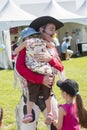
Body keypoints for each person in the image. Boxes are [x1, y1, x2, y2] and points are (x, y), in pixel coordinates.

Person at [15, 16, 65, 130]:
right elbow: (20, 68)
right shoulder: (28, 47)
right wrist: (40, 79)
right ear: (41, 30)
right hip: (30, 97)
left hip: (48, 96)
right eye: (51, 29)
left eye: (55, 30)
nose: (54, 33)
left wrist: (50, 59)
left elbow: (60, 67)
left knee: (57, 127)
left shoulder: (52, 49)